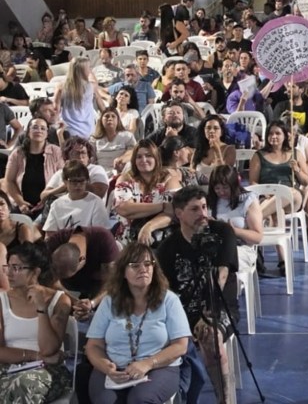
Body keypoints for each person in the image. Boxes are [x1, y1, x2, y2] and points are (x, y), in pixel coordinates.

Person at [155, 186, 238, 404]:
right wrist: (178, 323)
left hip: (219, 305)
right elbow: (166, 291)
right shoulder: (167, 248)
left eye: (204, 206)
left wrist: (205, 315)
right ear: (179, 213)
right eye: (195, 209)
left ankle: (226, 401)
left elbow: (222, 275)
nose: (203, 213)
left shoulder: (222, 232)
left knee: (210, 335)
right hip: (182, 310)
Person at [85, 242, 191, 404]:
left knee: (140, 399)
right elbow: (93, 346)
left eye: (148, 264)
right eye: (135, 265)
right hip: (114, 368)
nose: (143, 269)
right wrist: (105, 366)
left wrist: (148, 363)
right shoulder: (109, 302)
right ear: (123, 273)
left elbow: (180, 346)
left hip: (158, 367)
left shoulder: (169, 300)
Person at [0, 242, 72, 402]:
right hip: (8, 366)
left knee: (22, 385)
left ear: (36, 272)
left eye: (17, 268)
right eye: (8, 267)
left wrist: (41, 309)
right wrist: (35, 356)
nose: (9, 274)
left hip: (48, 369)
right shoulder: (1, 300)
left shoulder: (60, 301)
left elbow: (48, 349)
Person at [112, 139, 181, 244]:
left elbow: (174, 212)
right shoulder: (125, 178)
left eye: (148, 155)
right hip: (128, 237)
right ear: (134, 161)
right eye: (139, 157)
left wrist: (148, 227)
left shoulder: (169, 177)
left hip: (163, 237)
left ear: (156, 158)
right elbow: (124, 208)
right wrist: (162, 206)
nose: (143, 160)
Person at [207, 165, 264, 276]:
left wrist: (233, 230)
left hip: (241, 248)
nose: (221, 192)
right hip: (215, 246)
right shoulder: (211, 201)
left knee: (222, 261)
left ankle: (220, 289)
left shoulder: (248, 200)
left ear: (233, 185)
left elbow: (258, 237)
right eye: (217, 188)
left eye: (225, 188)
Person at [3, 117, 64, 219]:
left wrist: (46, 199)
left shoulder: (56, 152)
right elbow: (9, 181)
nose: (39, 130)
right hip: (20, 204)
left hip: (48, 204)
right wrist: (21, 203)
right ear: (28, 132)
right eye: (35, 127)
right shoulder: (17, 153)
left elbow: (63, 179)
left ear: (47, 134)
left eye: (43, 128)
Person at [42, 160, 109, 232]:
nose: (78, 185)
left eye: (82, 181)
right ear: (65, 181)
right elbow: (50, 234)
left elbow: (101, 234)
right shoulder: (56, 204)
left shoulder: (96, 202)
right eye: (74, 181)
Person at [53, 55, 103, 139]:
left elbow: (55, 109)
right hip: (88, 130)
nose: (90, 70)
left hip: (68, 129)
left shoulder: (60, 86)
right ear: (83, 70)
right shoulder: (91, 86)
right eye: (89, 67)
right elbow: (95, 83)